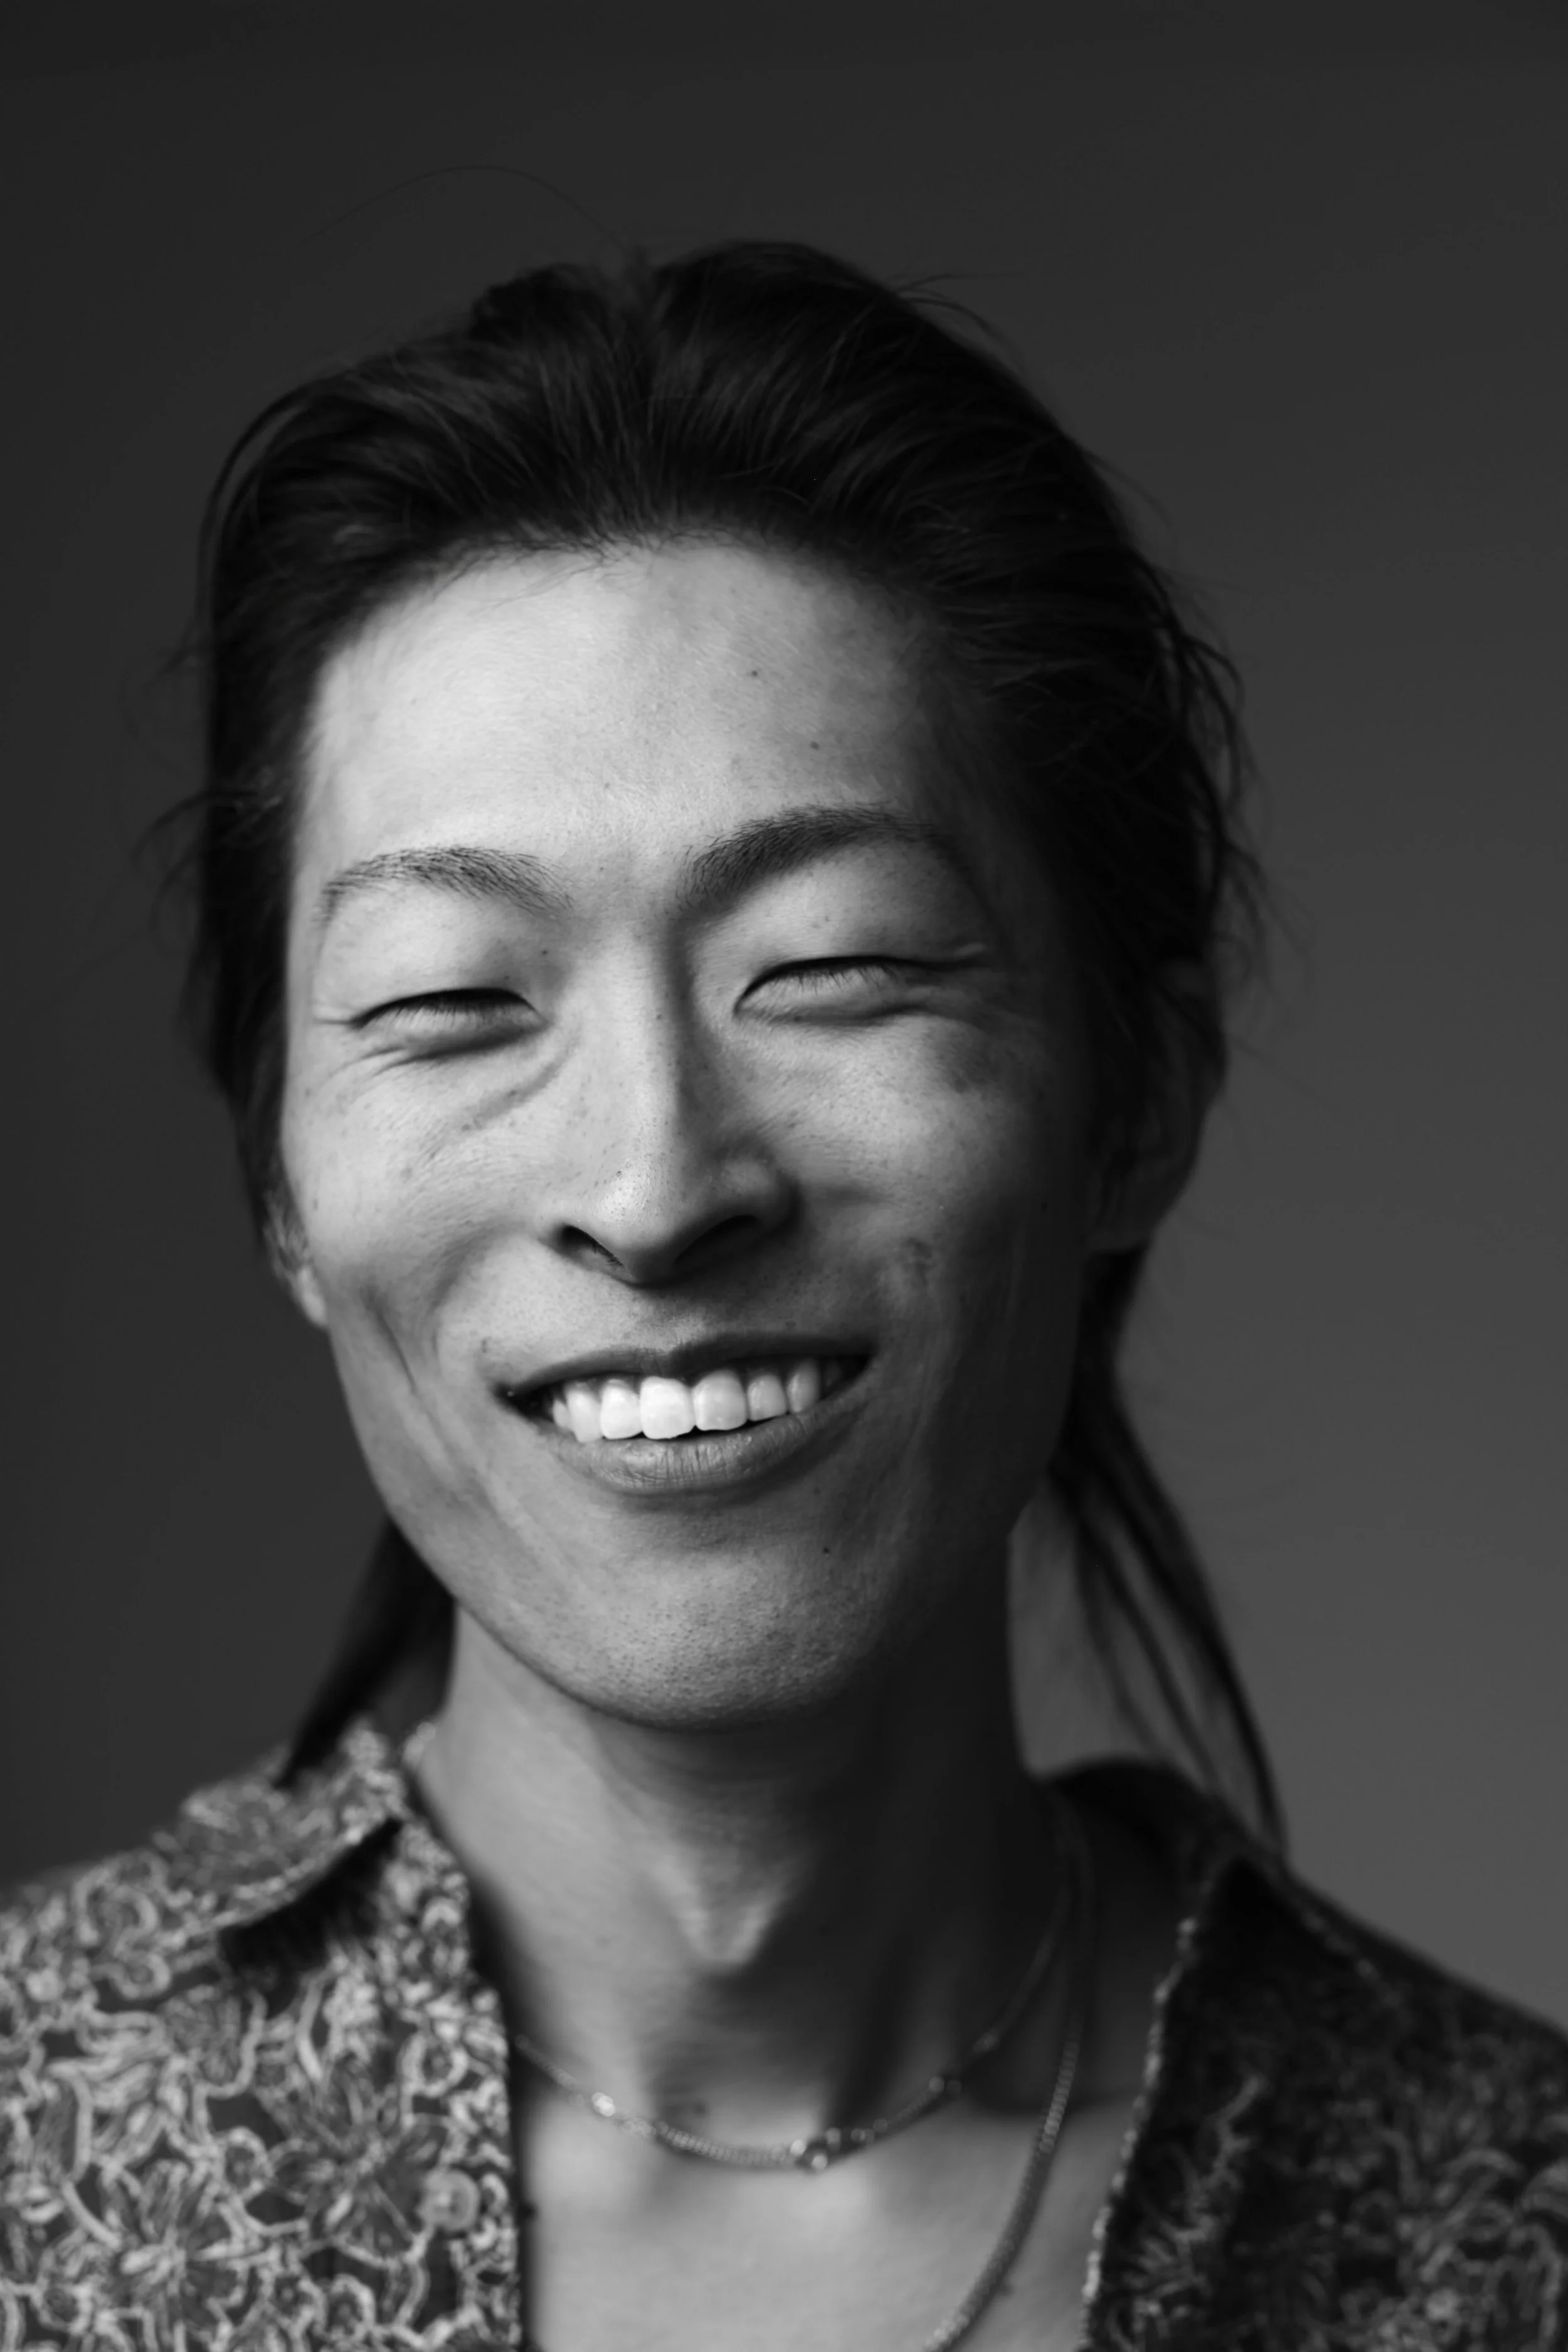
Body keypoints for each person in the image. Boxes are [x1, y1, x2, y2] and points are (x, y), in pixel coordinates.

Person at [1, 240, 1563, 2352]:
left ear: (1137, 1099)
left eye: (825, 966)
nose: (655, 1186)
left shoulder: (1503, 2231)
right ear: (284, 1181)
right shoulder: (39, 2163)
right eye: (456, 1002)